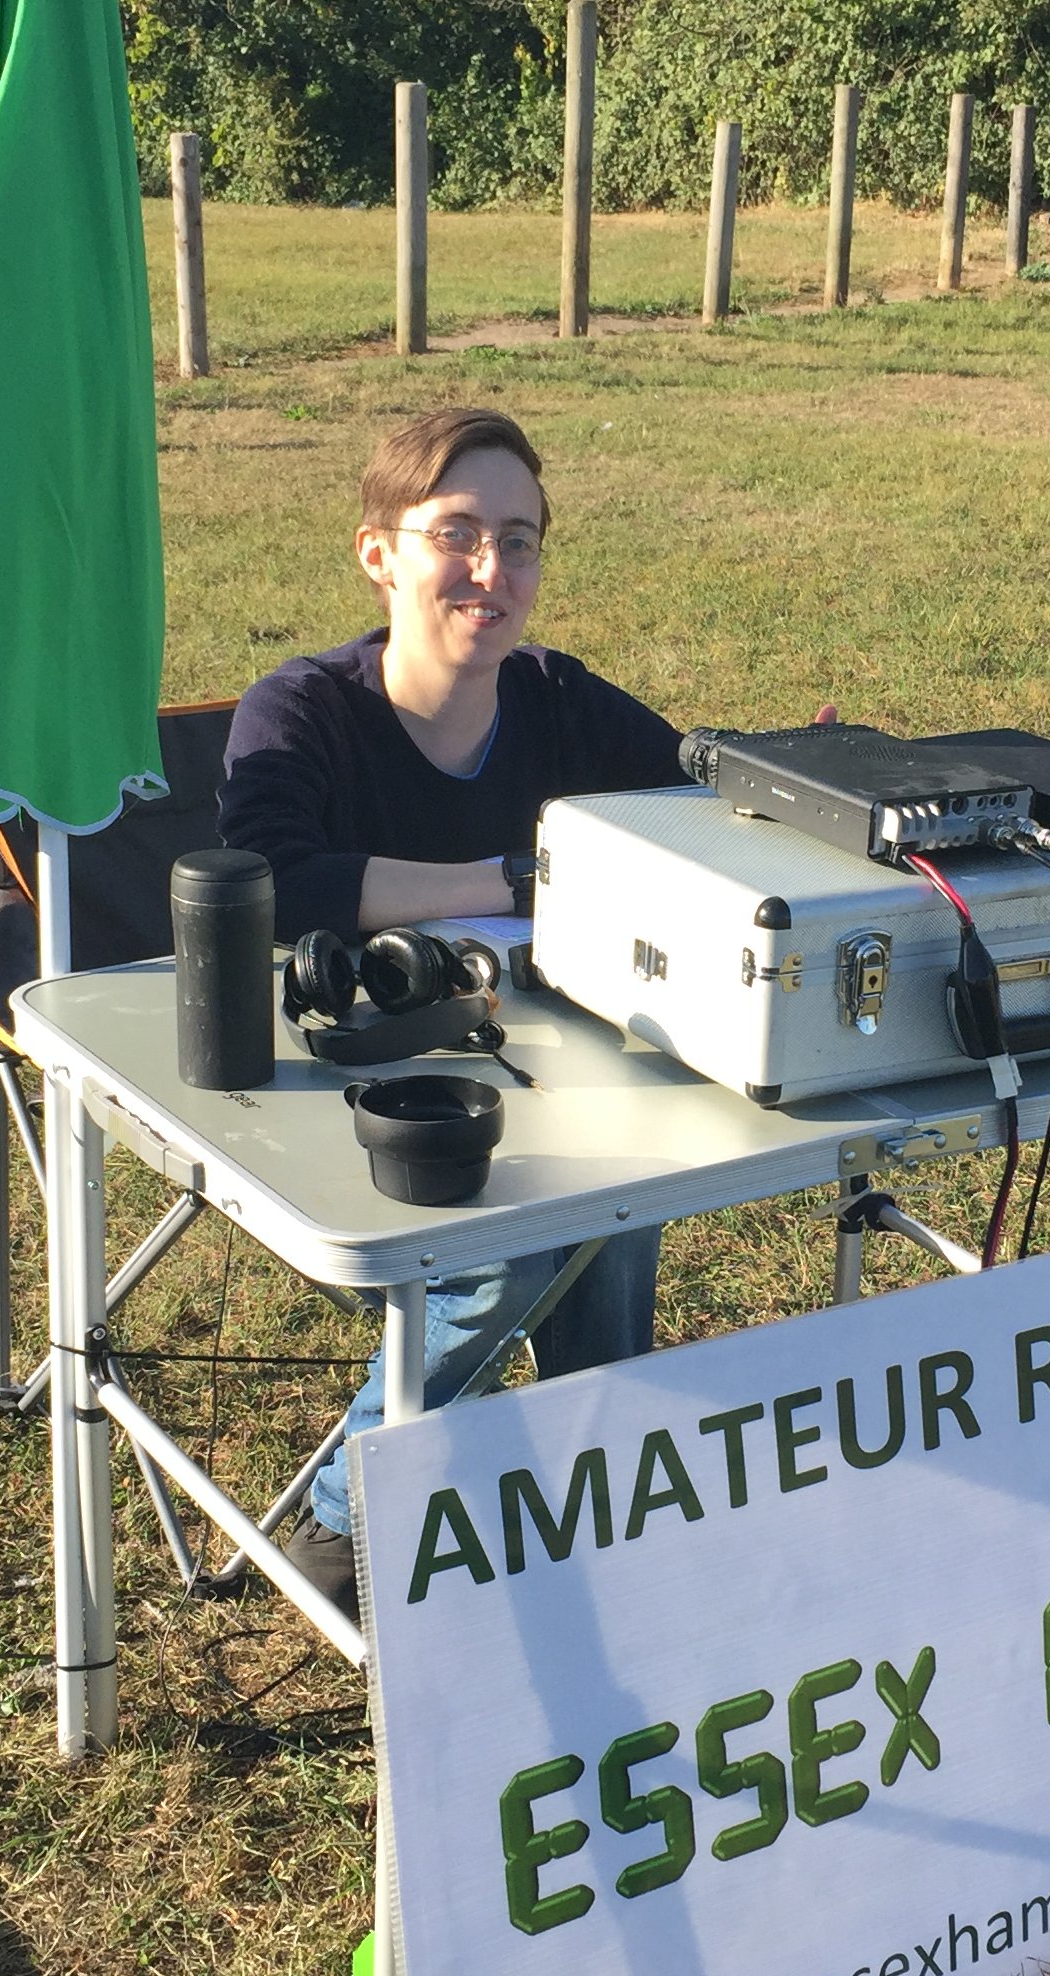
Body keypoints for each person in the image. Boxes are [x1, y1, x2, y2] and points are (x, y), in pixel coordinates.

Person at [217, 407, 682, 1616]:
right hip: (346, 1083)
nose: (493, 571)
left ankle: (600, 1474)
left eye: (520, 540)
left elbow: (694, 799)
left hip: (547, 1058)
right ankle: (344, 1514)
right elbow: (275, 880)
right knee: (547, 1216)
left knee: (618, 1185)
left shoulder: (558, 699)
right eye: (458, 534)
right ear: (379, 553)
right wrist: (512, 881)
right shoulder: (300, 709)